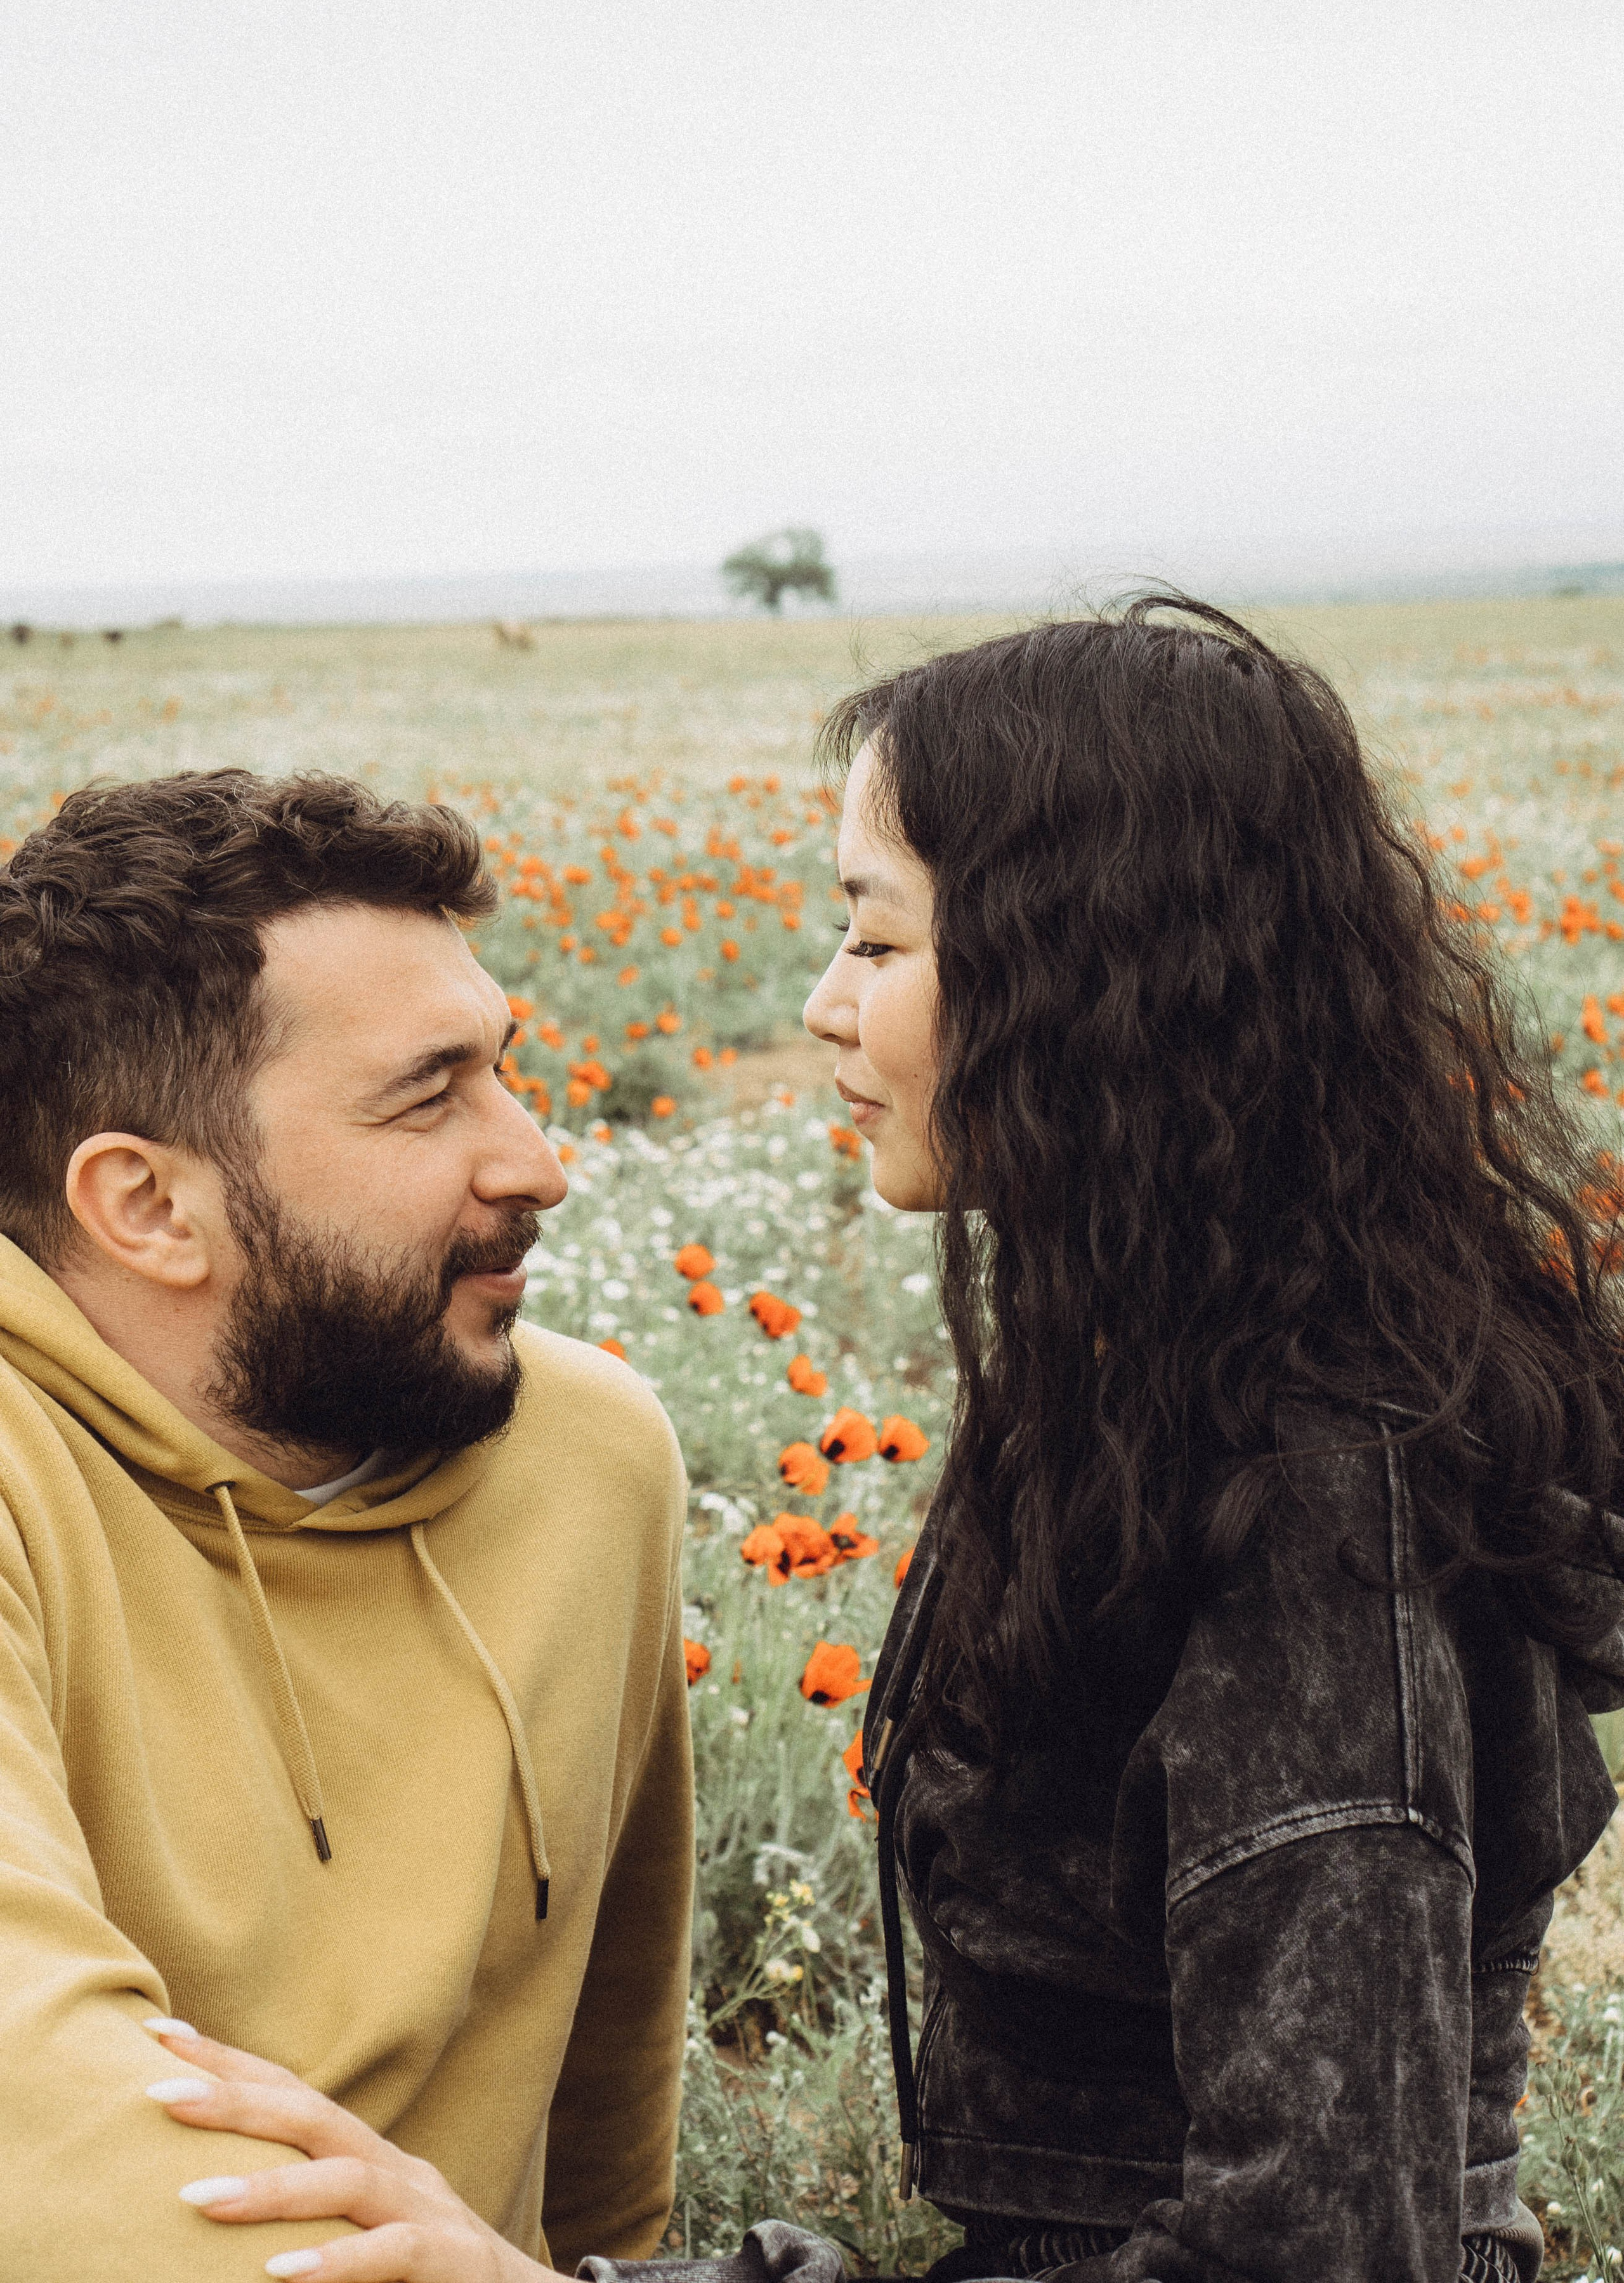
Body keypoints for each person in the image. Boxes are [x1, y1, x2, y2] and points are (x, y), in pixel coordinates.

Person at [790, 600, 1622, 2283]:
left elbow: (1315, 2249)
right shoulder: (1163, 1357)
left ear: (1079, 978)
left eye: (878, 943)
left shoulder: (1311, 1505)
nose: (824, 1006)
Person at [0, 770, 693, 2282]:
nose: (537, 1164)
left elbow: (609, 2117)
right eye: (426, 1095)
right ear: (149, 1208)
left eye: (503, 1072)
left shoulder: (588, 1456)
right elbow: (30, 2127)